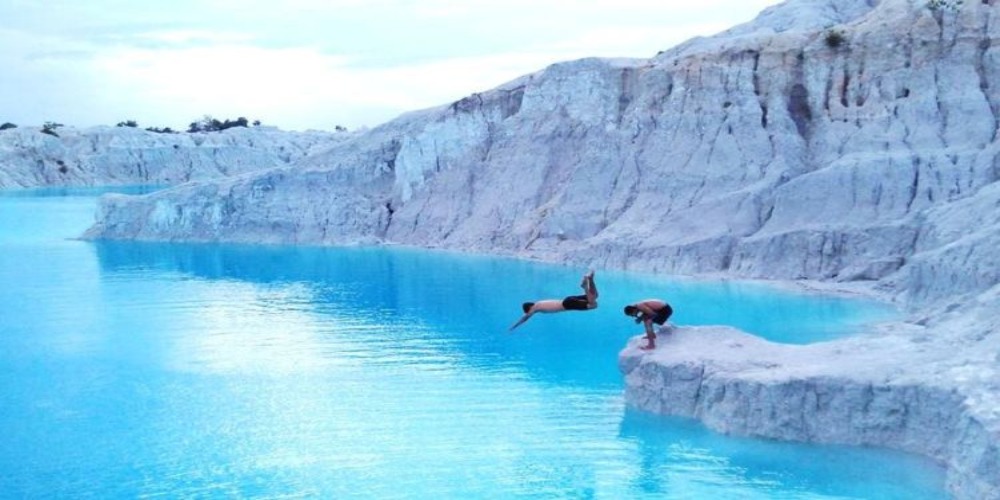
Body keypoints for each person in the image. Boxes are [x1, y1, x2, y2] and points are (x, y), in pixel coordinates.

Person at [509, 271, 599, 331]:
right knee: (595, 296)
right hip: (567, 300)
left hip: (567, 304)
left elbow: (525, 318)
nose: (530, 312)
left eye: (528, 310)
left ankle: (584, 287)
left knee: (593, 305)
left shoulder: (535, 308)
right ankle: (590, 280)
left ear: (529, 308)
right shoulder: (539, 303)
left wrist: (514, 326)